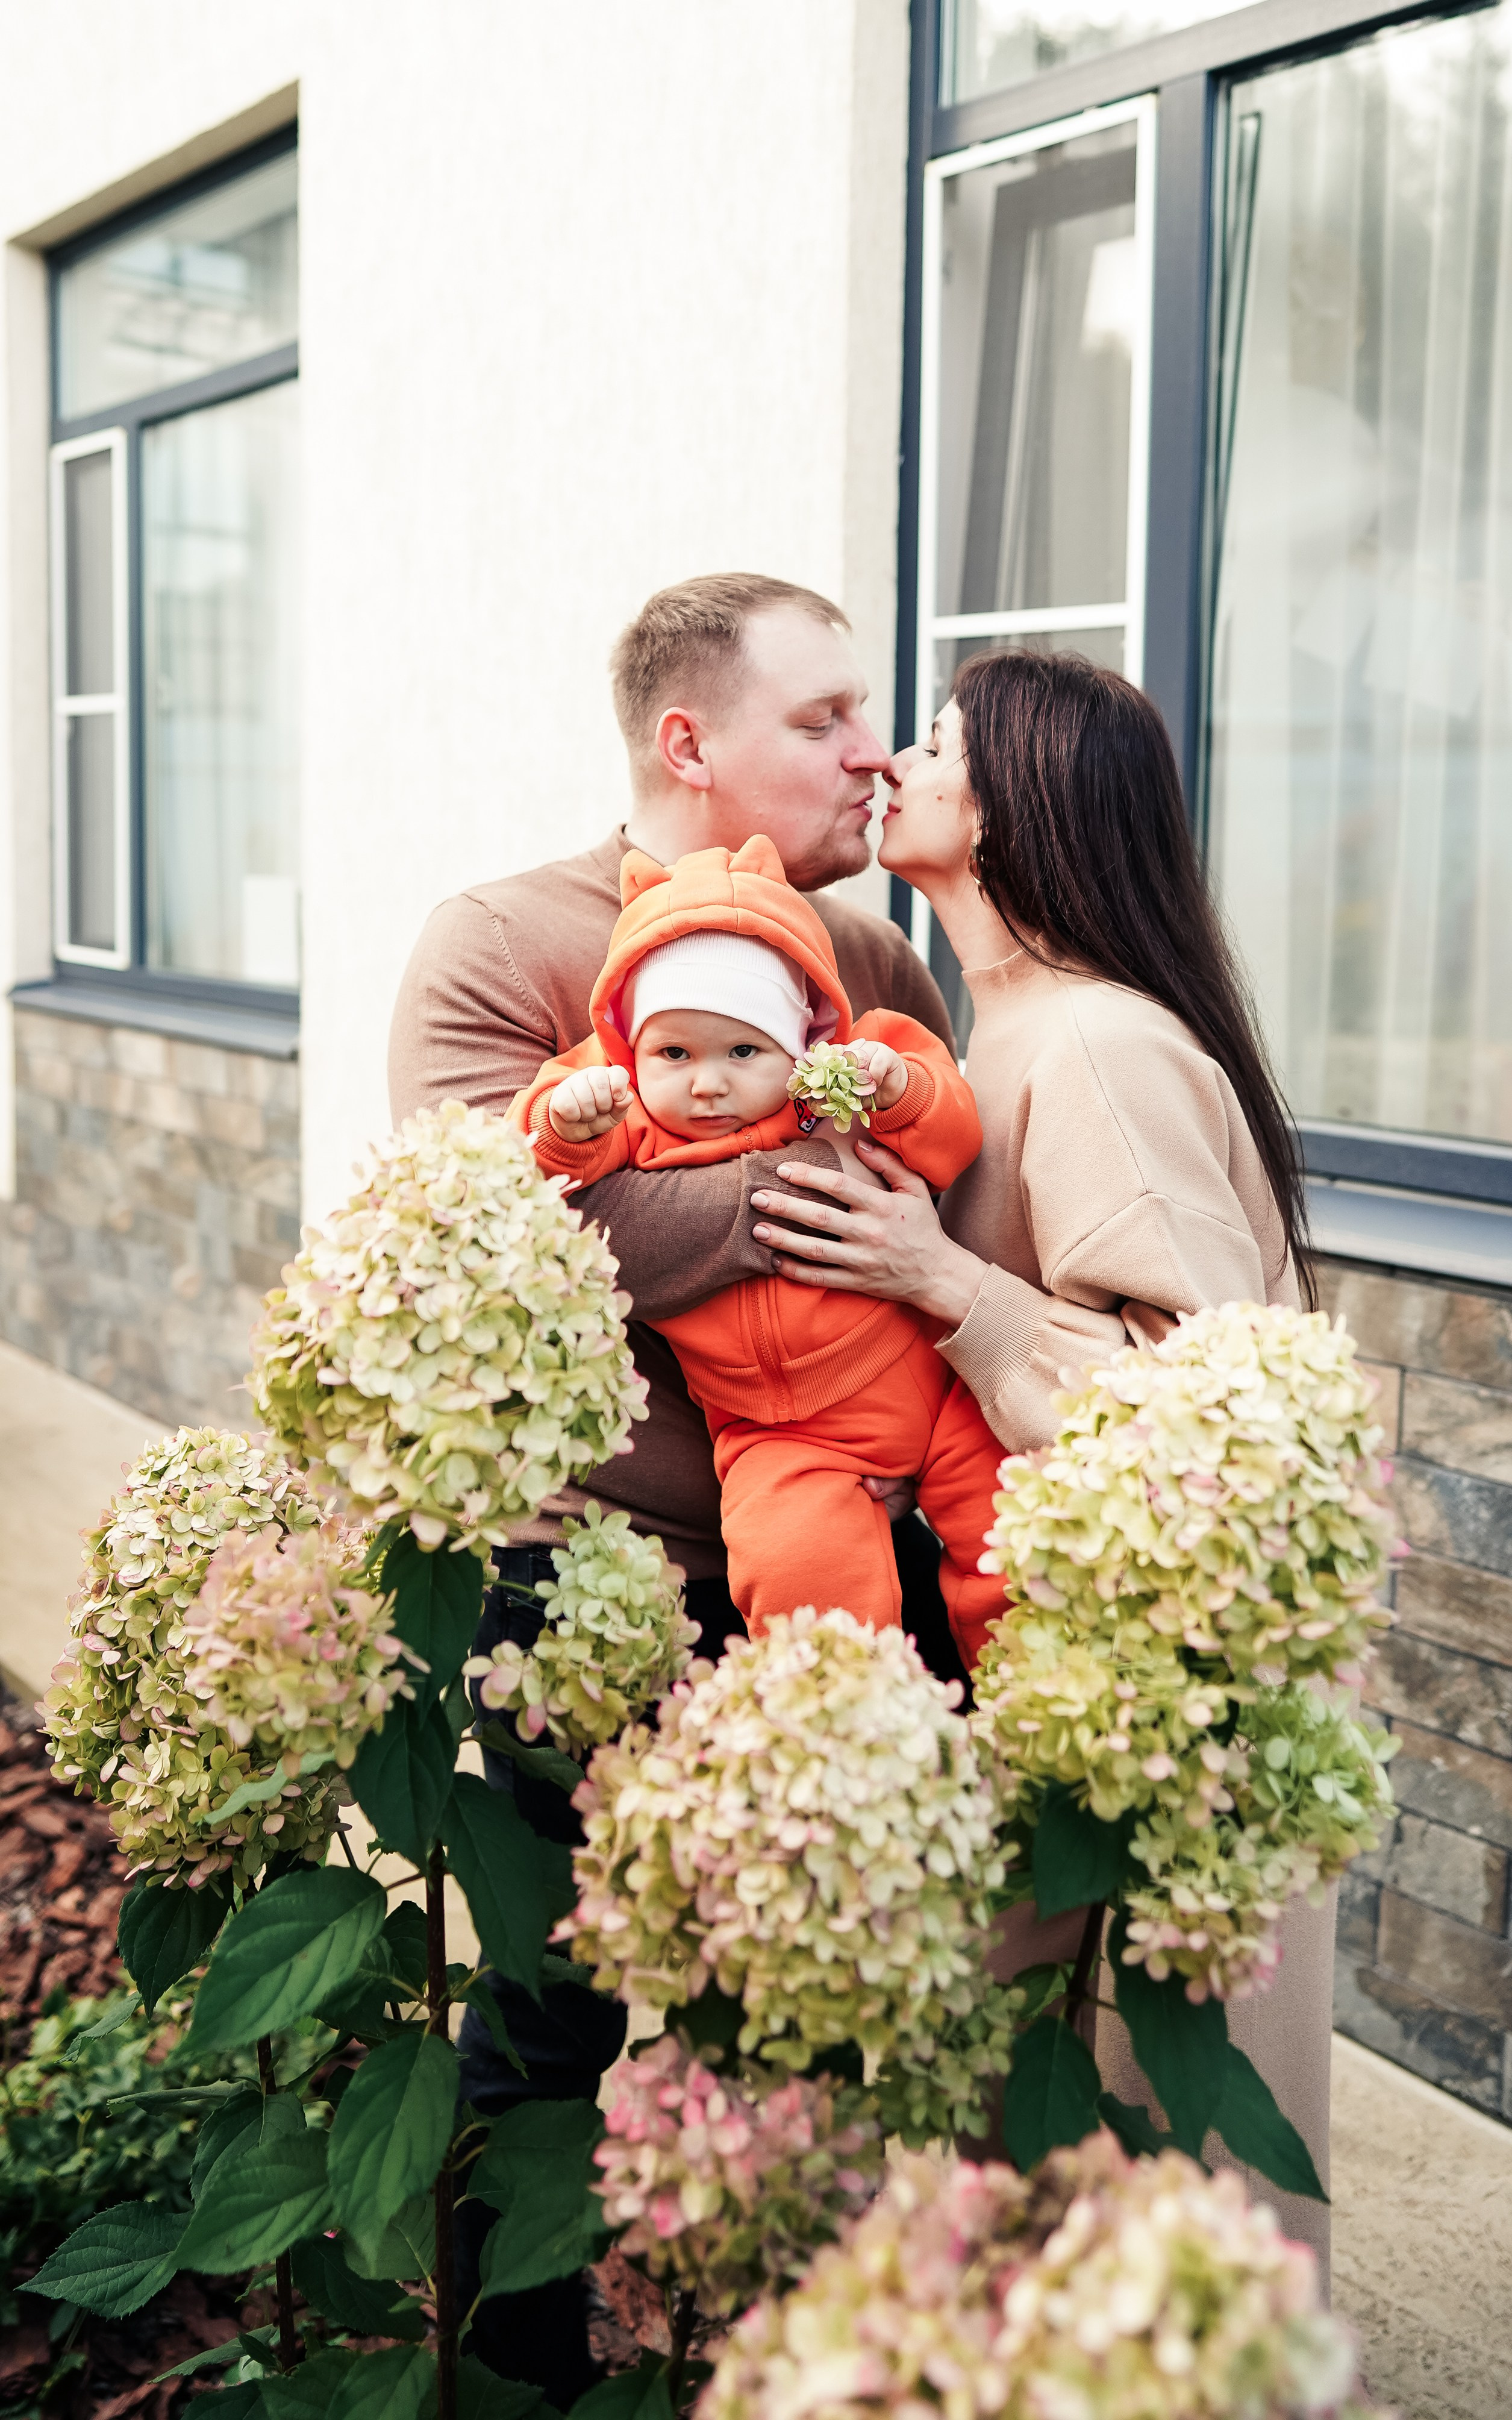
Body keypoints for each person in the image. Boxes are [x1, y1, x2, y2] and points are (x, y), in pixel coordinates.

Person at [386, 574, 957, 2396]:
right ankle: (516, 2374)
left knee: (808, 2028)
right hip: (587, 1583)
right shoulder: (495, 940)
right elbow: (538, 1233)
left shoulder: (868, 963)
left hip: (843, 1564)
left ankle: (774, 2369)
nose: (869, 757)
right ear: (686, 742)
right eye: (824, 720)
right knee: (553, 2016)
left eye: (871, 717)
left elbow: (933, 1194)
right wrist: (835, 1207)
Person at [743, 649, 1332, 2274]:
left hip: (1142, 1727)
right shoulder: (983, 1035)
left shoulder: (1090, 1052)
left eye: (929, 741)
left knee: (1147, 2179)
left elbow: (1214, 1421)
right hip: (1039, 1671)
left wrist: (940, 1285)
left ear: (1019, 805)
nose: (886, 764)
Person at [511, 832, 1005, 1652]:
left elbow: (950, 1136)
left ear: (798, 1041)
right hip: (779, 1434)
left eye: (744, 1050)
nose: (707, 1081)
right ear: (632, 1053)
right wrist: (564, 1122)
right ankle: (833, 1716)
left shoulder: (839, 1084)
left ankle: (1023, 1699)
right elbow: (542, 1177)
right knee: (801, 1573)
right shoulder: (630, 1115)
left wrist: (898, 1088)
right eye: (674, 1053)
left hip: (934, 1375)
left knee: (1007, 1536)